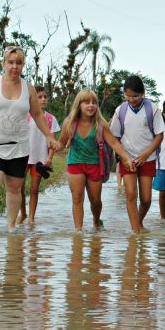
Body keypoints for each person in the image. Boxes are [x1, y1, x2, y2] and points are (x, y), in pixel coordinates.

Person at [0, 45, 59, 235]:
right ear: (3, 63)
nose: (14, 67)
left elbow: (37, 114)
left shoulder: (29, 88)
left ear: (23, 65)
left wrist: (49, 136)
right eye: (10, 62)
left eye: (18, 63)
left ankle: (11, 226)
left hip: (19, 147)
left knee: (15, 187)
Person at [56, 90, 133, 231]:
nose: (91, 106)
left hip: (95, 165)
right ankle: (78, 231)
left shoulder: (101, 124)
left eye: (94, 103)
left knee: (95, 201)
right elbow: (61, 143)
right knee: (77, 199)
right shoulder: (70, 123)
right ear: (79, 105)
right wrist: (54, 146)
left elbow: (114, 144)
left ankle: (96, 222)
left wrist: (126, 157)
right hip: (75, 163)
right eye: (86, 102)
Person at [109, 75, 164, 234]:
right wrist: (123, 157)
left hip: (148, 159)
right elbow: (115, 138)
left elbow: (159, 136)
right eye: (128, 96)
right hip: (128, 159)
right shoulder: (121, 111)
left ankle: (138, 222)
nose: (131, 99)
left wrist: (146, 154)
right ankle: (136, 233)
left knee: (146, 199)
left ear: (143, 93)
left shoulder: (152, 109)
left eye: (135, 96)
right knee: (131, 195)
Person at [18, 85, 60, 224]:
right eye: (39, 97)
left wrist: (49, 158)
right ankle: (23, 213)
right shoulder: (25, 116)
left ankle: (31, 218)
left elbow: (52, 141)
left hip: (40, 159)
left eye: (45, 97)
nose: (43, 100)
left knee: (34, 189)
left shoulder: (50, 119)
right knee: (20, 188)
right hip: (23, 157)